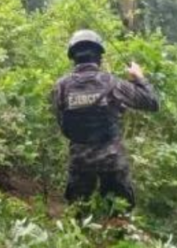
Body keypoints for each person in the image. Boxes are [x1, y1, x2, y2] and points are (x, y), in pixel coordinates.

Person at [51, 30, 160, 210]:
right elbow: (153, 103)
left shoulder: (61, 86)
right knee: (120, 215)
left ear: (73, 57)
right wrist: (139, 77)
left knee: (77, 216)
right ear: (99, 56)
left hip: (79, 160)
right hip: (112, 161)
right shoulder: (113, 83)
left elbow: (63, 124)